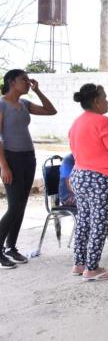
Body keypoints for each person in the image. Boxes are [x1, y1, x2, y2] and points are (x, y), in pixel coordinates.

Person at [68, 83, 108, 281]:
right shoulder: (103, 122)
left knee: (84, 221)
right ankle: (92, 269)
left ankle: (79, 263)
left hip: (79, 176)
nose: (107, 101)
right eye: (105, 97)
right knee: (99, 224)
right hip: (99, 179)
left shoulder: (76, 122)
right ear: (96, 101)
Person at [0, 69, 56, 269]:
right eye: (23, 79)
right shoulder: (2, 104)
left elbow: (51, 111)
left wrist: (38, 91)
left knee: (21, 205)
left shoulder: (24, 104)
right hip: (11, 158)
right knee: (14, 205)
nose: (27, 82)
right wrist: (4, 165)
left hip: (28, 157)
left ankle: (11, 247)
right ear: (11, 82)